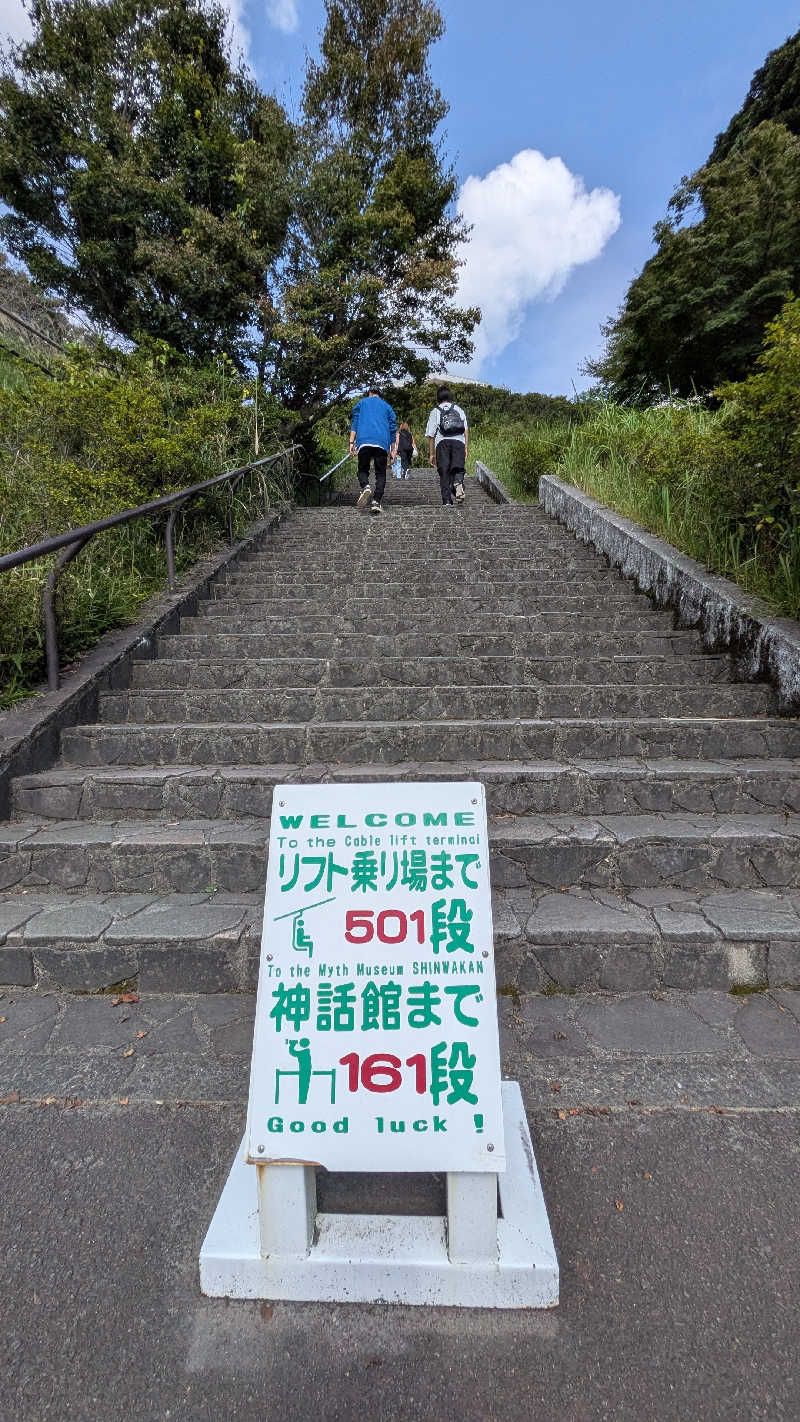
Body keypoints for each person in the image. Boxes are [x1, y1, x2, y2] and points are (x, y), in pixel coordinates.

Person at [349, 385, 398, 515]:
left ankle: (365, 486)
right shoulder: (387, 407)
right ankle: (376, 501)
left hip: (364, 441)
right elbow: (393, 429)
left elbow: (355, 422)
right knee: (381, 473)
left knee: (363, 469)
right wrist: (393, 450)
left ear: (369, 393)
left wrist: (351, 442)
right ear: (380, 395)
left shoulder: (361, 403)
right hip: (382, 443)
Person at [425, 384, 469, 506]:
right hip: (459, 442)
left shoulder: (435, 411)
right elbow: (466, 430)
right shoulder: (459, 409)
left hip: (442, 443)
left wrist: (432, 454)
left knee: (444, 471)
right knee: (458, 468)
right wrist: (466, 447)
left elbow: (431, 434)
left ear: (438, 398)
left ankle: (447, 501)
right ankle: (458, 482)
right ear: (450, 396)